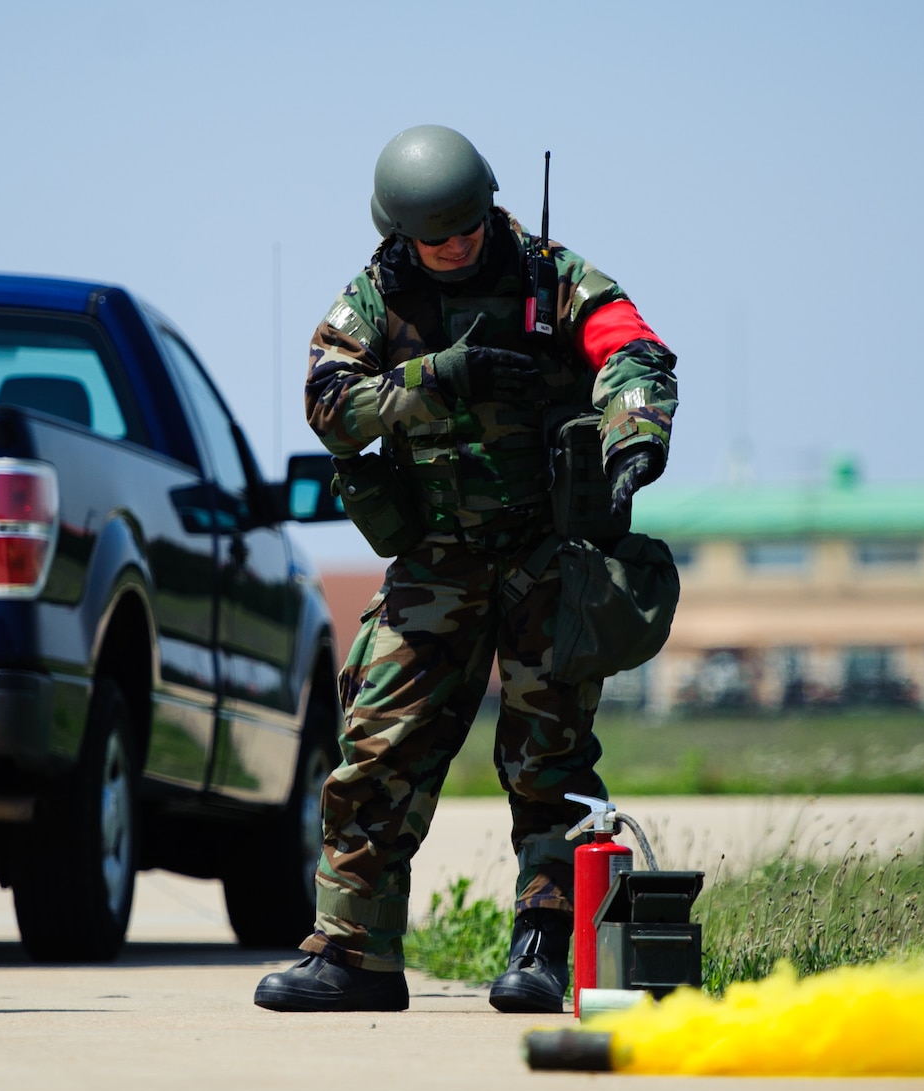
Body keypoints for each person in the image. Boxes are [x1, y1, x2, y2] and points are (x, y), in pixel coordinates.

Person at [255, 125, 678, 1013]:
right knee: (377, 747)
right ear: (399, 231)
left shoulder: (549, 276)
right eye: (435, 235)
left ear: (490, 204)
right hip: (436, 559)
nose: (456, 246)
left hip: (544, 553)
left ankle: (546, 950)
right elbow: (330, 408)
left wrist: (635, 433)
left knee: (548, 763)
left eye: (468, 227)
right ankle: (354, 953)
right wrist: (439, 374)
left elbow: (631, 348)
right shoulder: (373, 302)